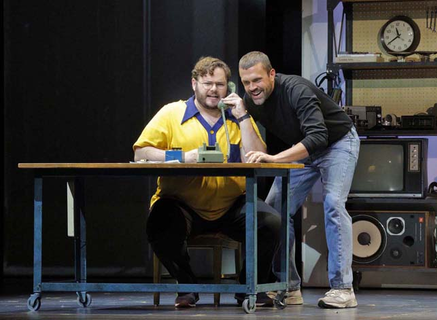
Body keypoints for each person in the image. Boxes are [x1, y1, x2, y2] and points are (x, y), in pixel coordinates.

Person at [133, 56, 281, 308]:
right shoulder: (172, 113)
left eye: (220, 84)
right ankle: (188, 286)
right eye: (207, 83)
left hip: (231, 205)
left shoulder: (238, 117)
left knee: (270, 222)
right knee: (159, 223)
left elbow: (258, 158)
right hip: (182, 205)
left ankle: (249, 288)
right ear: (194, 84)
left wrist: (243, 117)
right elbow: (141, 153)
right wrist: (182, 157)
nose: (214, 89)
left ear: (229, 88)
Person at [222, 51, 360, 308]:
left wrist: (274, 159)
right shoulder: (250, 101)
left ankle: (343, 289)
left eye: (257, 80)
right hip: (303, 149)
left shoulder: (297, 90)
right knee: (274, 211)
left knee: (333, 204)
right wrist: (242, 115)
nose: (252, 88)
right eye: (246, 82)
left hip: (337, 143)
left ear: (271, 74)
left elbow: (318, 137)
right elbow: (253, 149)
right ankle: (289, 286)